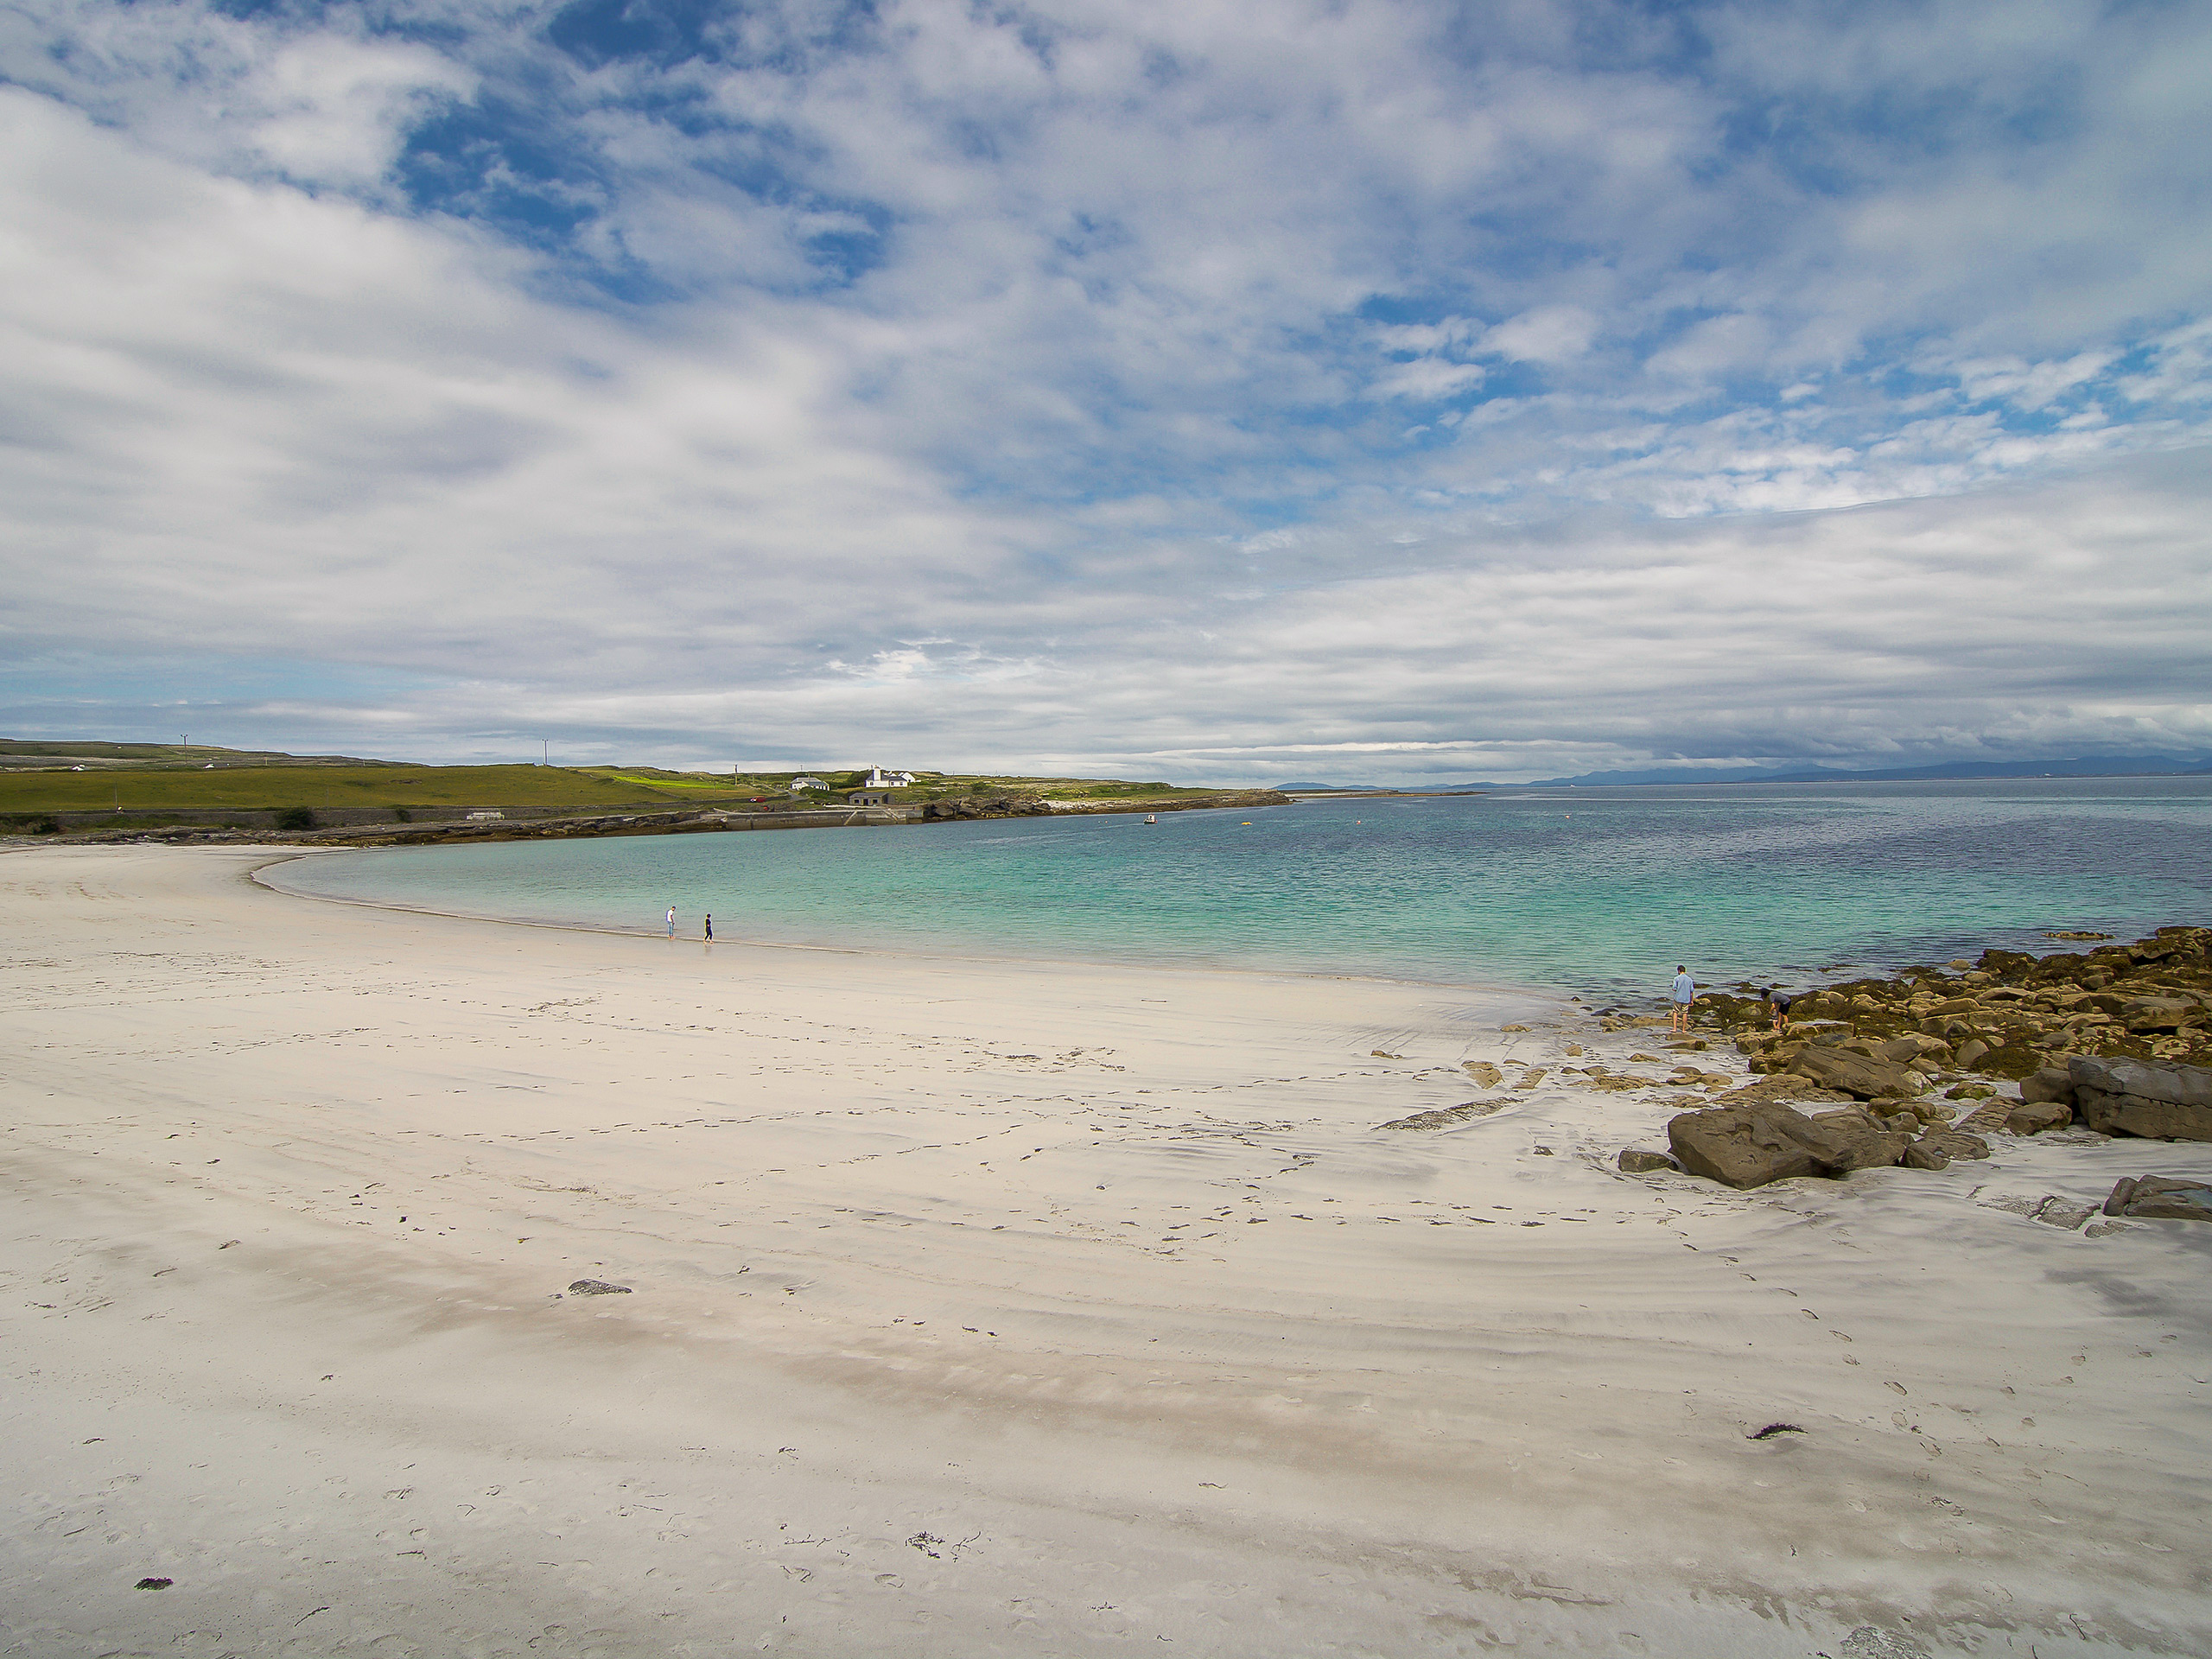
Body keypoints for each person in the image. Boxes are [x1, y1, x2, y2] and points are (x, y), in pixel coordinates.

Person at [1669, 964, 1696, 1033]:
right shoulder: (1689, 979)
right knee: (1685, 1013)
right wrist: (1691, 1000)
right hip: (1686, 998)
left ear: (1679, 971)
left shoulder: (1676, 978)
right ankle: (1683, 1029)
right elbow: (1691, 991)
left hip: (1678, 998)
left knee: (1675, 1012)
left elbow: (1674, 989)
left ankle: (1675, 1028)